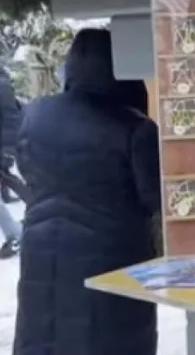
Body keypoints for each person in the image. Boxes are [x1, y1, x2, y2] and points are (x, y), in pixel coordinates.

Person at [14, 28, 160, 355]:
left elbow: (27, 170)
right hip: (111, 261)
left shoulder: (35, 114)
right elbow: (154, 197)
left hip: (41, 252)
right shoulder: (135, 128)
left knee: (44, 332)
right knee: (105, 340)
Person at [0, 68, 25, 204]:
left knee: (4, 171)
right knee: (4, 171)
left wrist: (8, 147)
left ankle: (15, 194)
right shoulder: (4, 85)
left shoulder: (3, 86)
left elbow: (10, 117)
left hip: (3, 138)